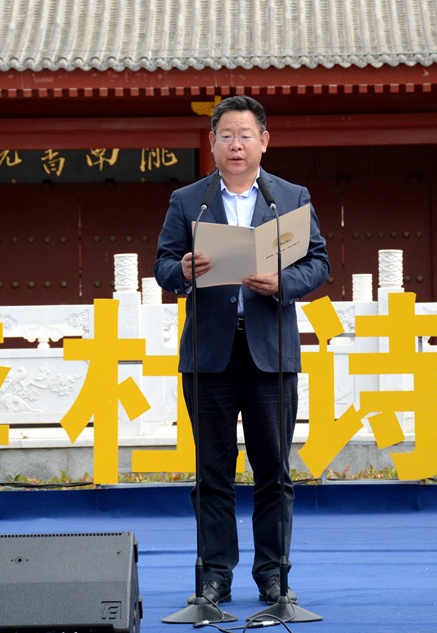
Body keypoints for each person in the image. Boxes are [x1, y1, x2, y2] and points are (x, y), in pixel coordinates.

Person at [154, 95, 329, 606]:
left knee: (273, 471)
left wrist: (282, 283)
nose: (236, 145)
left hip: (269, 355)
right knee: (212, 472)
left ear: (264, 141)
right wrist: (182, 271)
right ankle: (215, 576)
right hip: (209, 356)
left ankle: (273, 574)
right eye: (226, 135)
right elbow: (162, 265)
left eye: (245, 135)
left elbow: (318, 263)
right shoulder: (189, 201)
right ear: (211, 142)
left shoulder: (289, 198)